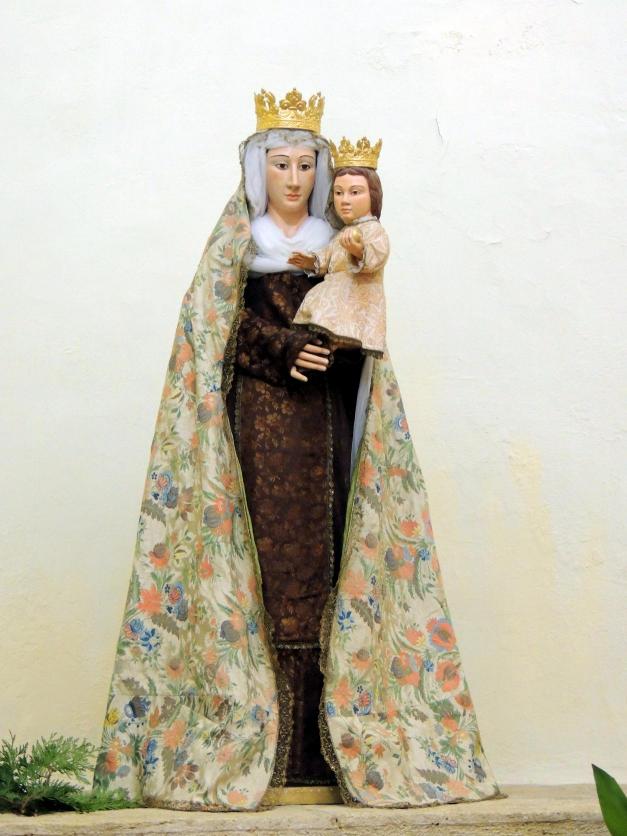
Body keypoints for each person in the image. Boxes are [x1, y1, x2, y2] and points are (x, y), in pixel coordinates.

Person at [92, 88, 505, 811]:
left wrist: (341, 345)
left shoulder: (338, 243)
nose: (294, 177)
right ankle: (254, 742)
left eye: (306, 165)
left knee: (329, 557)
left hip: (326, 422)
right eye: (280, 164)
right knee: (263, 559)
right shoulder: (237, 245)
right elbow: (211, 332)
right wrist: (280, 346)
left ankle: (326, 748)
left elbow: (364, 324)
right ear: (259, 170)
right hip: (258, 425)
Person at [289, 137, 388, 358]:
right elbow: (329, 256)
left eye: (355, 192)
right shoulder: (343, 233)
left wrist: (360, 252)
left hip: (356, 299)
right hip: (334, 294)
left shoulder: (373, 230)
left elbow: (378, 255)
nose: (344, 200)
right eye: (339, 192)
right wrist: (312, 261)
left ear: (373, 195)